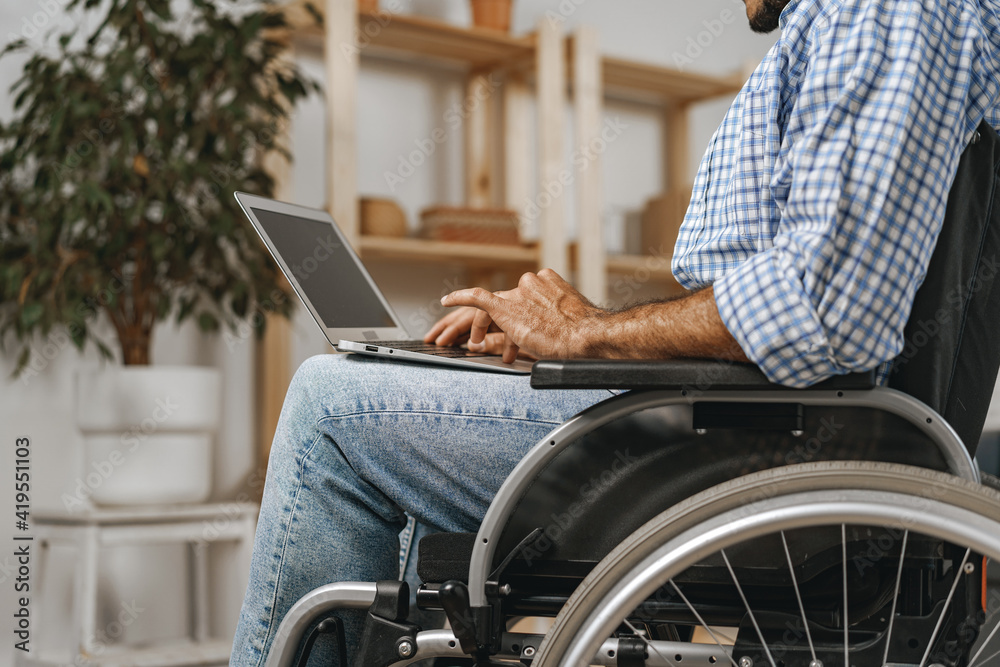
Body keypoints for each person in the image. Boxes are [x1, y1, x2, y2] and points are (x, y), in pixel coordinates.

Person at [231, 0, 1000, 664]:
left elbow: (820, 310)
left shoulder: (880, 12)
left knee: (329, 405)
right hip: (759, 431)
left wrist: (588, 338)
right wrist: (567, 334)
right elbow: (796, 295)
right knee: (395, 421)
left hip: (766, 456)